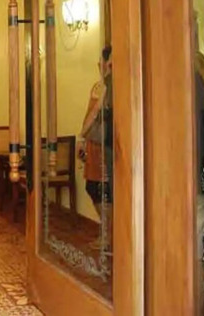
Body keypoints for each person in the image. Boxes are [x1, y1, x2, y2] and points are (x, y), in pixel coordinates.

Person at [78, 45, 113, 252]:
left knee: (102, 189)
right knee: (93, 187)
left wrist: (82, 134)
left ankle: (108, 235)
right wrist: (82, 140)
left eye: (102, 61)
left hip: (104, 146)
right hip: (92, 144)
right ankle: (106, 232)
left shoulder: (110, 88)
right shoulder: (97, 87)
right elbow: (89, 113)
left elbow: (99, 115)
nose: (99, 65)